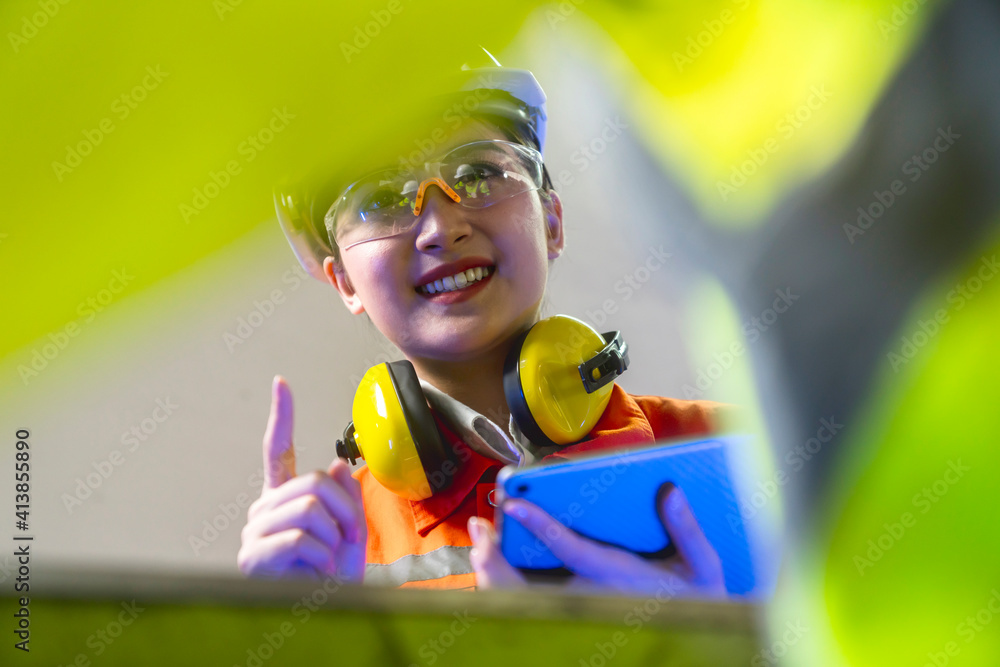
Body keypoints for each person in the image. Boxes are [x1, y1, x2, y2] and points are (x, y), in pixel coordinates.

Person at [237, 54, 728, 595]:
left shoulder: (742, 451)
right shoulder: (329, 556)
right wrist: (289, 635)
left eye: (475, 175)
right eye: (379, 200)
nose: (442, 227)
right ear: (345, 283)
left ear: (552, 221)